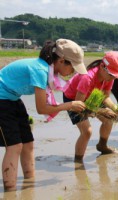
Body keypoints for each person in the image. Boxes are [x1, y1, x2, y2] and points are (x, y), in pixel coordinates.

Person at [0, 39, 87, 191]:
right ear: (61, 61)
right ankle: (10, 191)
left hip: (12, 98)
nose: (73, 73)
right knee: (14, 146)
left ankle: (30, 186)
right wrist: (69, 105)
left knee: (28, 144)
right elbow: (41, 108)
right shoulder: (40, 71)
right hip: (2, 99)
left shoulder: (47, 70)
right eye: (72, 68)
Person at [63, 51, 118, 162]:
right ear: (102, 66)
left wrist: (114, 108)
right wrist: (101, 111)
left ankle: (102, 146)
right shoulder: (87, 77)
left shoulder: (108, 78)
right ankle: (78, 161)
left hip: (92, 96)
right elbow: (79, 105)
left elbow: (105, 97)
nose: (113, 78)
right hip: (73, 99)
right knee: (87, 131)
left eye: (115, 76)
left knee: (109, 119)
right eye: (112, 75)